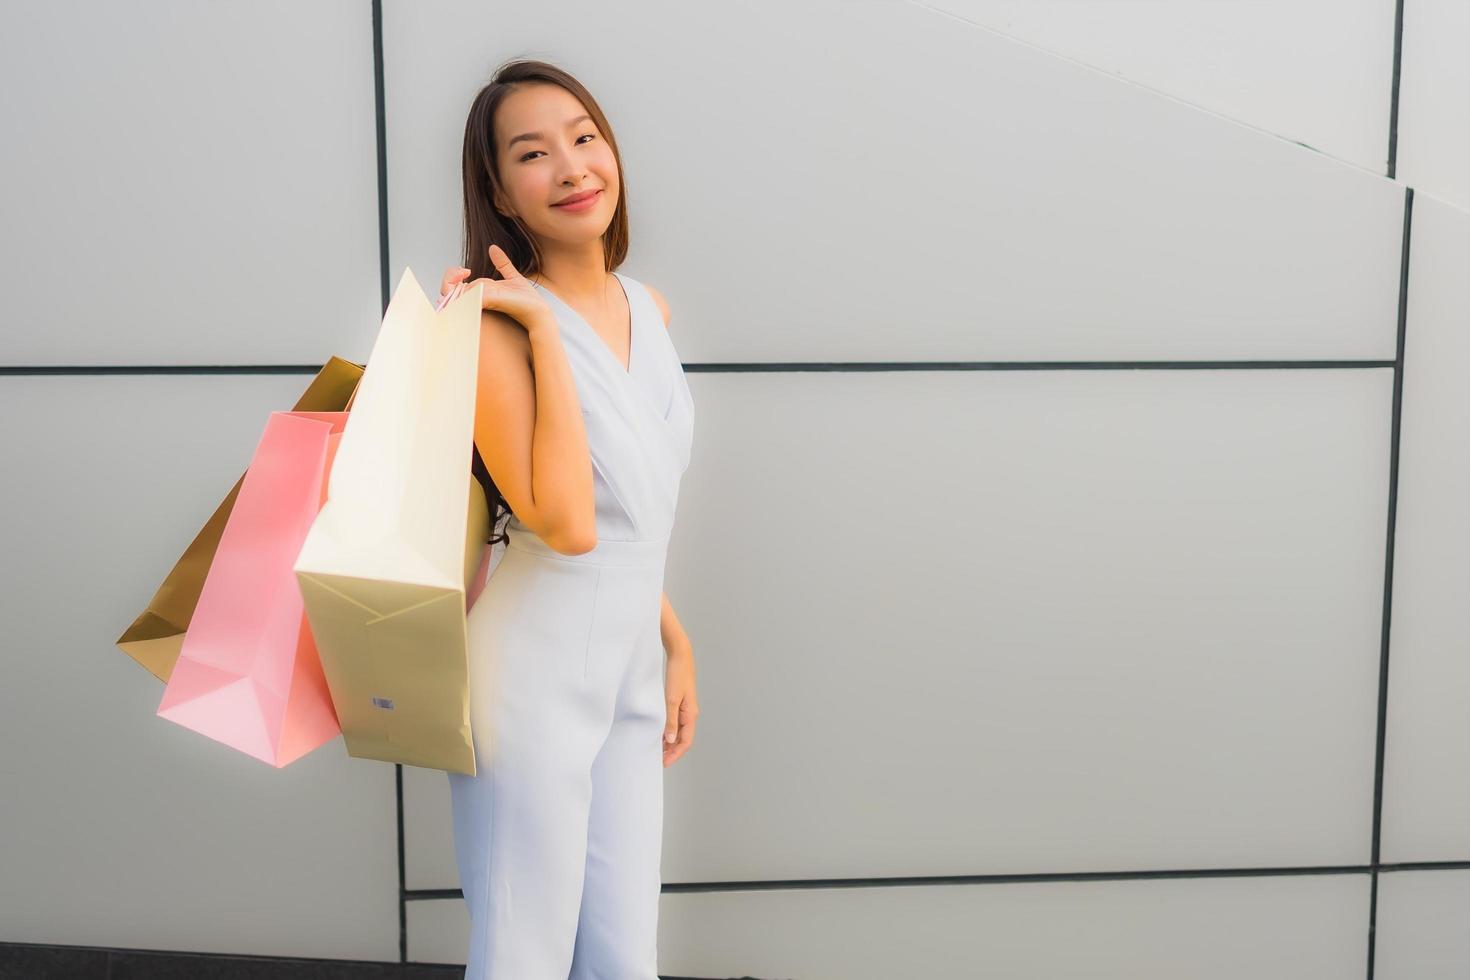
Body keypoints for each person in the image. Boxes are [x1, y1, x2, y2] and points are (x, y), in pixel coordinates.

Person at [438, 59, 700, 979]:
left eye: (583, 137)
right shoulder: (494, 326)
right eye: (533, 153)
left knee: (625, 962)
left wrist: (674, 641)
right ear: (502, 194)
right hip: (530, 679)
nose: (572, 166)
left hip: (629, 667)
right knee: (521, 956)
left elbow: (640, 513)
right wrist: (546, 332)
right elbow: (568, 525)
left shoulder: (650, 307)